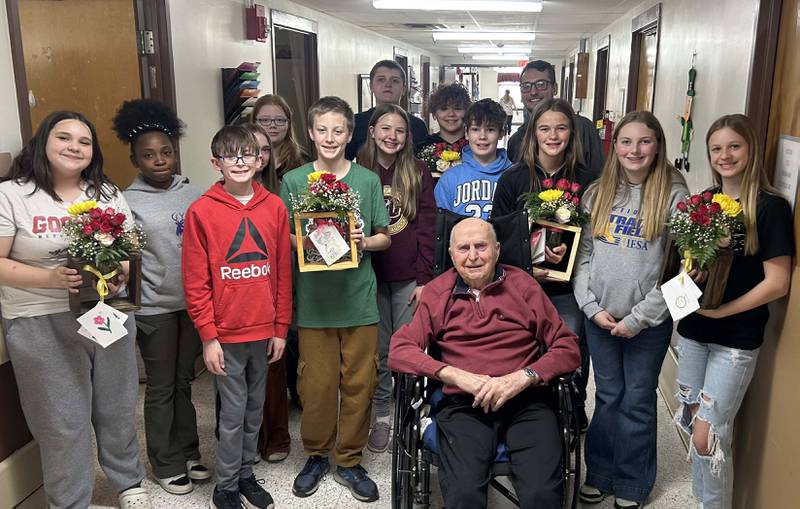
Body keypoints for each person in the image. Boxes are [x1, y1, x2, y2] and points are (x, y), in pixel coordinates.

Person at [0, 111, 150, 509]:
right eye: (64, 138)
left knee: (117, 405)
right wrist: (50, 279)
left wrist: (122, 277)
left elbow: (130, 250)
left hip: (108, 312)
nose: (74, 147)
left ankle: (128, 482)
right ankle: (70, 501)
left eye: (84, 142)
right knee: (61, 421)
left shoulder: (104, 193)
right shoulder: (12, 194)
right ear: (43, 142)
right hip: (38, 318)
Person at [389, 217, 580, 509]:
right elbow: (400, 349)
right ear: (451, 255)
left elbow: (567, 346)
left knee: (542, 496)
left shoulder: (523, 286)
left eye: (481, 246)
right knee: (464, 496)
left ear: (498, 249)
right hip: (465, 405)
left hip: (527, 400)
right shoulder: (437, 293)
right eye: (463, 248)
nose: (473, 256)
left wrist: (524, 377)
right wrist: (454, 376)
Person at [674, 114, 794, 509]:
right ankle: (702, 501)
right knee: (694, 425)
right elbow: (690, 266)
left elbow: (777, 283)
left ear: (751, 149)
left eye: (734, 146)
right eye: (716, 148)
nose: (724, 156)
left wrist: (724, 313)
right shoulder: (704, 202)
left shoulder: (770, 206)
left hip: (736, 339)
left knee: (710, 437)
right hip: (693, 332)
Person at [572, 111, 688, 509]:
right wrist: (590, 307)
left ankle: (632, 482)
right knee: (606, 395)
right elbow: (583, 256)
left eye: (644, 141)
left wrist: (640, 318)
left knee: (638, 398)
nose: (634, 150)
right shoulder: (598, 192)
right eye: (626, 141)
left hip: (650, 323)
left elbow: (682, 271)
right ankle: (600, 474)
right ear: (614, 145)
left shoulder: (674, 195)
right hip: (600, 317)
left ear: (657, 145)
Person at [280, 96, 391, 503]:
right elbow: (284, 235)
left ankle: (348, 459)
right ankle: (315, 455)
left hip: (358, 301)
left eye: (338, 130)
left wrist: (363, 241)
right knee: (317, 384)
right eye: (322, 130)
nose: (330, 137)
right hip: (314, 304)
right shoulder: (294, 181)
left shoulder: (366, 180)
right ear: (310, 133)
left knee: (360, 383)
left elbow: (384, 236)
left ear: (350, 134)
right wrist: (305, 241)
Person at [182, 125, 292, 509]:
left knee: (253, 409)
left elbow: (281, 272)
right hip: (226, 334)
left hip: (263, 332)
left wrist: (281, 329)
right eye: (231, 155)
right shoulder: (202, 211)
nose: (241, 161)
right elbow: (196, 281)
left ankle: (245, 474)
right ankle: (225, 485)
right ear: (217, 163)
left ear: (260, 159)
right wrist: (208, 336)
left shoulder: (274, 207)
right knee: (231, 414)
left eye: (248, 153)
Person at [112, 99, 209, 495]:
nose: (159, 160)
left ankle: (188, 451)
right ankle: (165, 462)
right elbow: (122, 260)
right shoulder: (125, 201)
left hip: (193, 306)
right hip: (154, 308)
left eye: (166, 152)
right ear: (135, 158)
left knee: (185, 382)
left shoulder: (196, 193)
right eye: (148, 155)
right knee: (161, 386)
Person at [492, 97, 596, 431]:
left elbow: (595, 237)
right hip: (524, 284)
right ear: (532, 133)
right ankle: (530, 414)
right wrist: (529, 264)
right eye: (545, 128)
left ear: (573, 132)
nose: (553, 136)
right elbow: (501, 233)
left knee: (571, 349)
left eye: (561, 128)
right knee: (524, 352)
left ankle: (573, 407)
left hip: (569, 287)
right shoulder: (513, 179)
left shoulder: (588, 180)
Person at [356, 103, 436, 452]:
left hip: (407, 279)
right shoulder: (357, 171)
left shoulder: (418, 172)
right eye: (385, 128)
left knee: (406, 348)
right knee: (379, 351)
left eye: (400, 130)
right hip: (367, 278)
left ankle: (409, 410)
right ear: (372, 131)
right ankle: (384, 413)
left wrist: (423, 280)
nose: (392, 136)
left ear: (408, 137)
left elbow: (427, 230)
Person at [508, 60, 604, 176]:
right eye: (526, 86)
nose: (533, 92)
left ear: (555, 88)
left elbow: (598, 178)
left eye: (541, 84)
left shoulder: (583, 128)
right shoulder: (515, 141)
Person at [434, 98, 511, 220]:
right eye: (475, 129)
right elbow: (441, 227)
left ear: (501, 133)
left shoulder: (514, 176)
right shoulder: (450, 178)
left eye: (490, 130)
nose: (482, 137)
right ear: (466, 133)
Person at [346, 60, 428, 161]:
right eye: (381, 80)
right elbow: (343, 163)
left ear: (404, 89)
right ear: (371, 86)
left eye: (395, 80)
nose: (388, 84)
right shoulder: (355, 122)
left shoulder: (417, 125)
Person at [414, 82, 471, 180]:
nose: (451, 114)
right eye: (444, 109)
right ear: (434, 114)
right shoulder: (420, 148)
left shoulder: (477, 147)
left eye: (457, 108)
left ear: (467, 112)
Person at [252, 94, 309, 176]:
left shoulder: (302, 162)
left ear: (288, 124)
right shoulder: (242, 161)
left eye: (279, 120)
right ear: (254, 122)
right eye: (265, 120)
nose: (272, 125)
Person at [242, 122, 278, 193]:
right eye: (254, 150)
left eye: (265, 150)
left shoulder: (280, 187)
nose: (261, 155)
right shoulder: (225, 189)